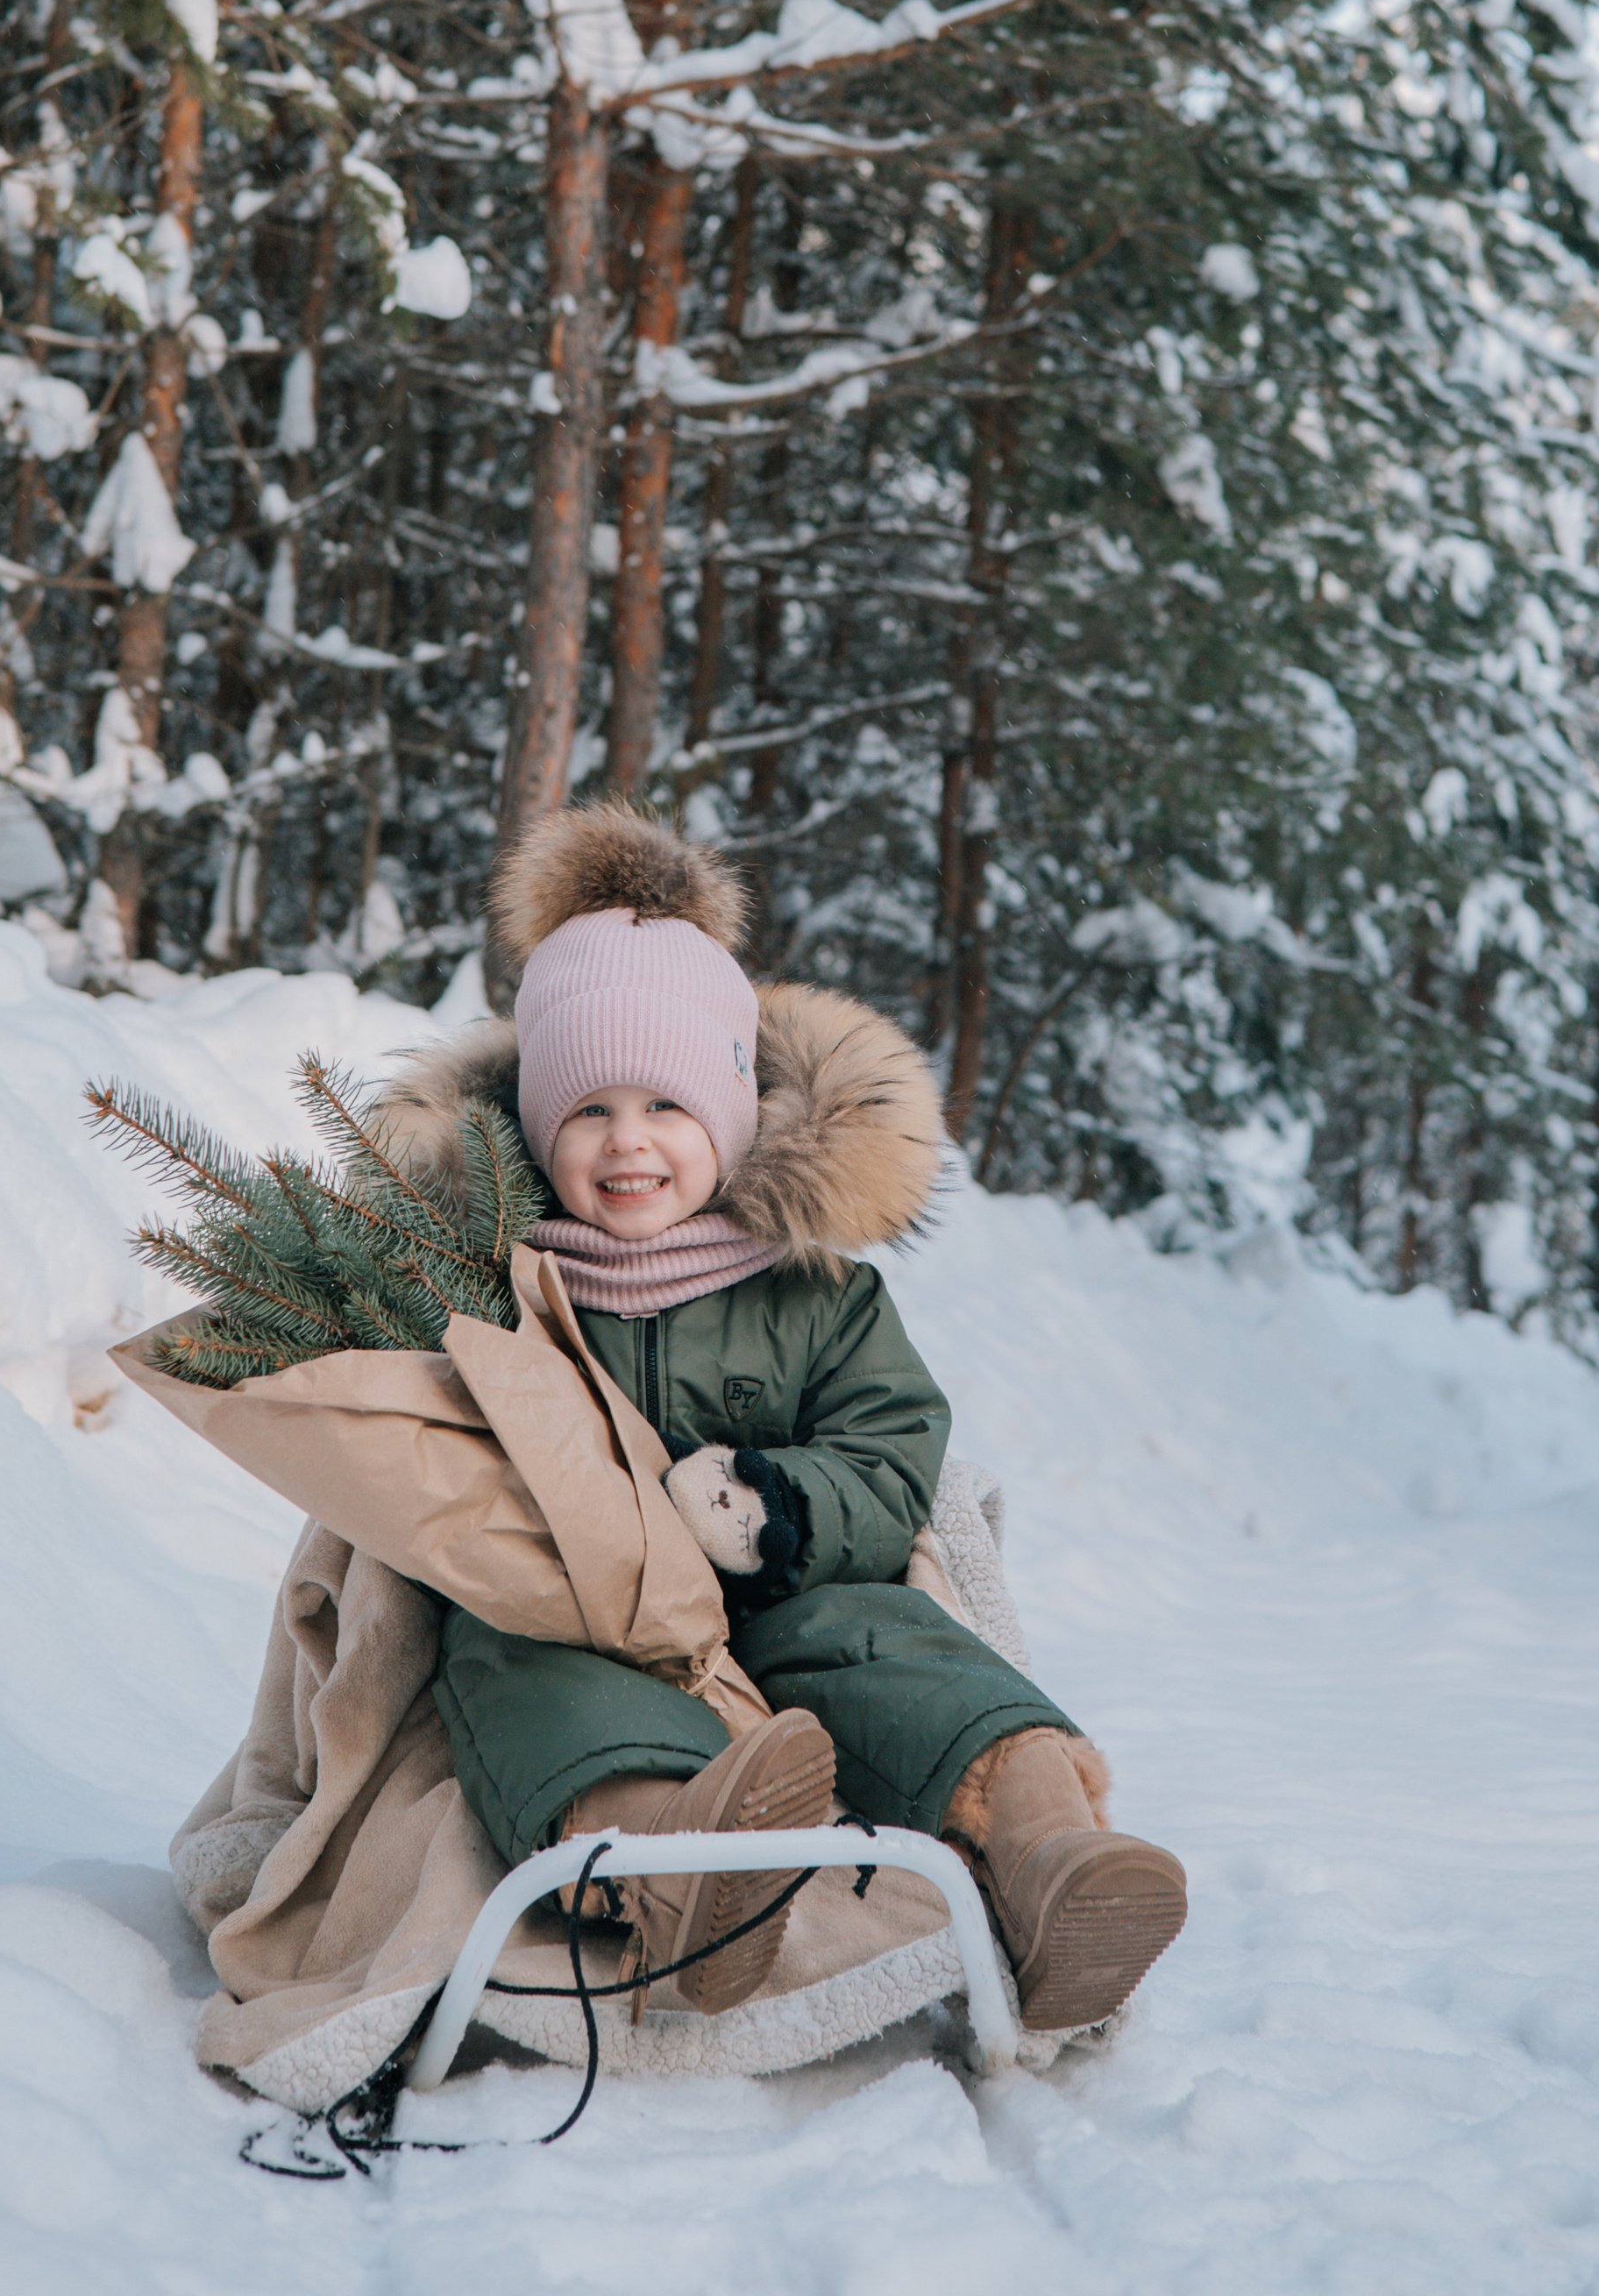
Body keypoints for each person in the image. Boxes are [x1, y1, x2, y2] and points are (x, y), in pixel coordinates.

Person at [375, 800, 1187, 2031]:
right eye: (589, 1110)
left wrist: (777, 1507)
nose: (628, 1143)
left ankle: (1047, 1851)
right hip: (580, 1613)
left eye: (668, 1107)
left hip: (789, 1597)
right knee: (524, 1681)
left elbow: (891, 1450)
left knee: (895, 1647)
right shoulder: (497, 1287)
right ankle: (688, 1873)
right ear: (540, 1128)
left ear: (734, 1112)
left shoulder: (814, 1291)